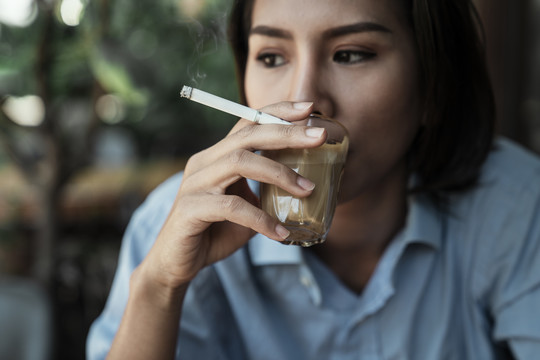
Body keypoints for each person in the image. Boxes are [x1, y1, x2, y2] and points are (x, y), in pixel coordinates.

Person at [87, 0, 540, 358]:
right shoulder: (176, 224)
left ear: (431, 85)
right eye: (270, 56)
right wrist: (158, 287)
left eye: (350, 54)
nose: (304, 98)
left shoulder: (515, 204)